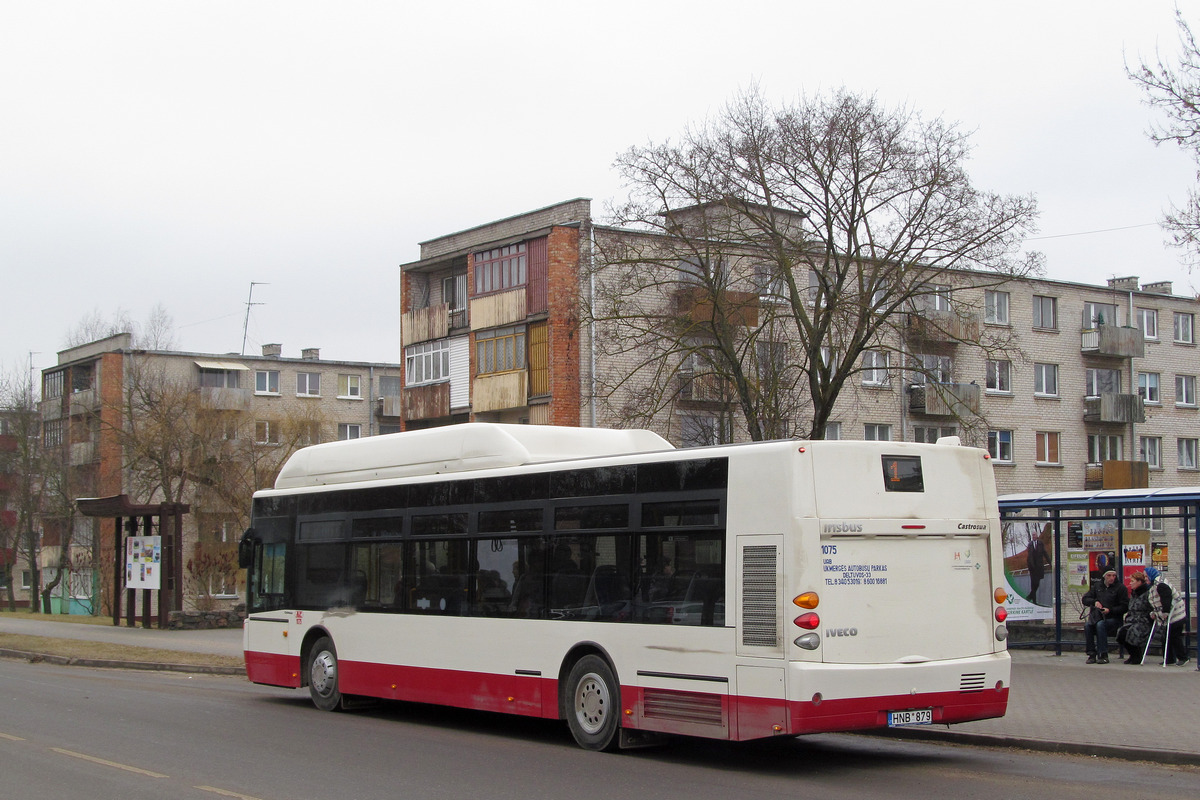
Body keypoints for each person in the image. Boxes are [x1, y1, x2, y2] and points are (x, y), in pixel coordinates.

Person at [1145, 566, 1190, 666]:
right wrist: (1154, 613)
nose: (1145, 579)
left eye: (1146, 576)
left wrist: (1165, 612)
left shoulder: (1160, 584)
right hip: (1171, 616)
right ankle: (1169, 659)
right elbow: (1155, 603)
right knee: (1166, 637)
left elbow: (1166, 597)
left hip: (1176, 615)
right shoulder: (1154, 586)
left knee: (1174, 636)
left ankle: (1183, 657)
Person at [1082, 569, 1128, 664]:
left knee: (1100, 625)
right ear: (1104, 576)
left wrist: (1110, 610)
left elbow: (1124, 606)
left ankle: (1103, 654)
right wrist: (1094, 602)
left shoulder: (1120, 588)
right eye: (1109, 575)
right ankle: (1091, 654)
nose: (1112, 578)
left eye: (1114, 575)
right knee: (1088, 626)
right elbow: (1085, 599)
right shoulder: (1097, 586)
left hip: (1114, 619)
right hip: (1098, 616)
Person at [1117, 572, 1153, 664]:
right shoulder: (1133, 594)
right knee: (1121, 633)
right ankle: (1133, 654)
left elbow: (1151, 609)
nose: (1130, 583)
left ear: (1139, 582)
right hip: (1132, 620)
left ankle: (1137, 656)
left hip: (1144, 621)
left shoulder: (1147, 594)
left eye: (1132, 581)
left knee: (1131, 632)